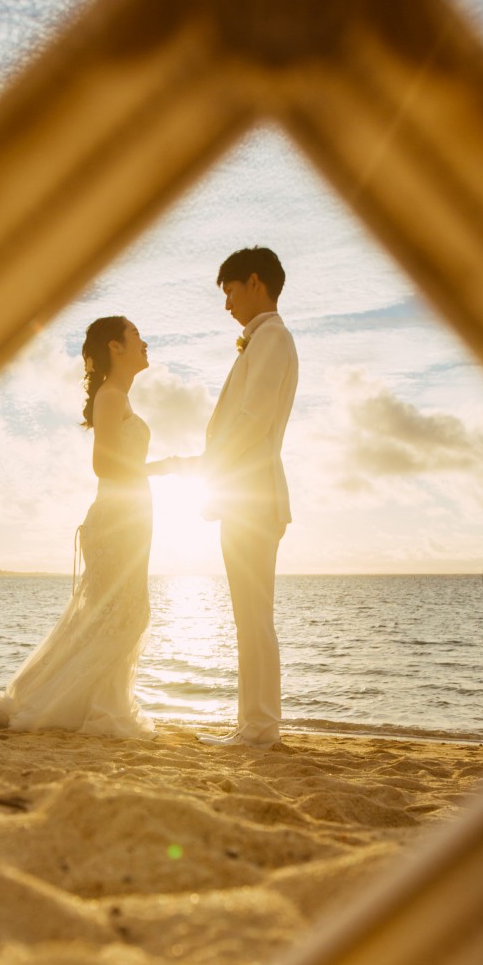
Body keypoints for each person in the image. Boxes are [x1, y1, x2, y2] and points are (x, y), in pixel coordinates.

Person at [0, 317, 177, 738]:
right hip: (117, 522)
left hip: (129, 521)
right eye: (136, 335)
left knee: (119, 616)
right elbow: (102, 464)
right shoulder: (111, 396)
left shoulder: (120, 397)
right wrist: (161, 467)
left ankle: (95, 704)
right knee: (123, 615)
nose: (145, 341)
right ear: (115, 347)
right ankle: (91, 708)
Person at [195, 246, 299, 749]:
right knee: (249, 614)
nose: (227, 304)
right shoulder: (262, 341)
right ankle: (254, 723)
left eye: (230, 292)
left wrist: (210, 467)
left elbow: (253, 419)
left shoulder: (273, 338)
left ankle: (260, 726)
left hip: (253, 495)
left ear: (255, 282)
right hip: (248, 495)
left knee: (253, 615)